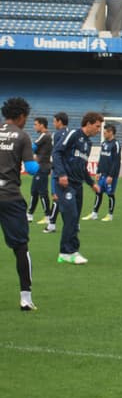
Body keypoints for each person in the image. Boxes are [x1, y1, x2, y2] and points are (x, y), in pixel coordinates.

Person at [0, 97, 40, 310]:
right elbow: (32, 169)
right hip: (9, 196)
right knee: (20, 247)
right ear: (22, 116)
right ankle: (25, 298)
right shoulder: (21, 135)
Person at [52, 111, 103, 265]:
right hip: (65, 183)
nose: (99, 130)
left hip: (77, 185)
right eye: (97, 126)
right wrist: (61, 174)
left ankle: (67, 252)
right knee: (71, 216)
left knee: (75, 221)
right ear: (88, 123)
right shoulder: (74, 134)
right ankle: (69, 252)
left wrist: (91, 183)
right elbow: (57, 152)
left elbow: (82, 167)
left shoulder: (89, 143)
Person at [84, 123, 122, 221]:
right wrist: (98, 172)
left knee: (110, 194)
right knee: (98, 192)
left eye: (105, 133)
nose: (104, 134)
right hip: (102, 174)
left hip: (110, 175)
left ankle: (110, 215)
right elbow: (101, 158)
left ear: (111, 132)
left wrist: (111, 175)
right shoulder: (104, 143)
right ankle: (94, 213)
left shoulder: (116, 144)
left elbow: (116, 161)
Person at [43, 112, 69, 234]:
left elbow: (56, 153)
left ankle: (51, 224)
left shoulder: (57, 134)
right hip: (68, 170)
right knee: (69, 197)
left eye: (54, 121)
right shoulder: (71, 133)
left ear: (59, 121)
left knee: (56, 197)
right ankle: (74, 224)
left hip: (58, 170)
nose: (53, 123)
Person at [28, 117, 53, 225]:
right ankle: (30, 214)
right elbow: (37, 152)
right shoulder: (46, 136)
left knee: (42, 192)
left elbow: (32, 147)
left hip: (43, 167)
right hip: (40, 167)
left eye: (36, 124)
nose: (34, 126)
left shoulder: (45, 135)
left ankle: (47, 216)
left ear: (42, 125)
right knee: (34, 191)